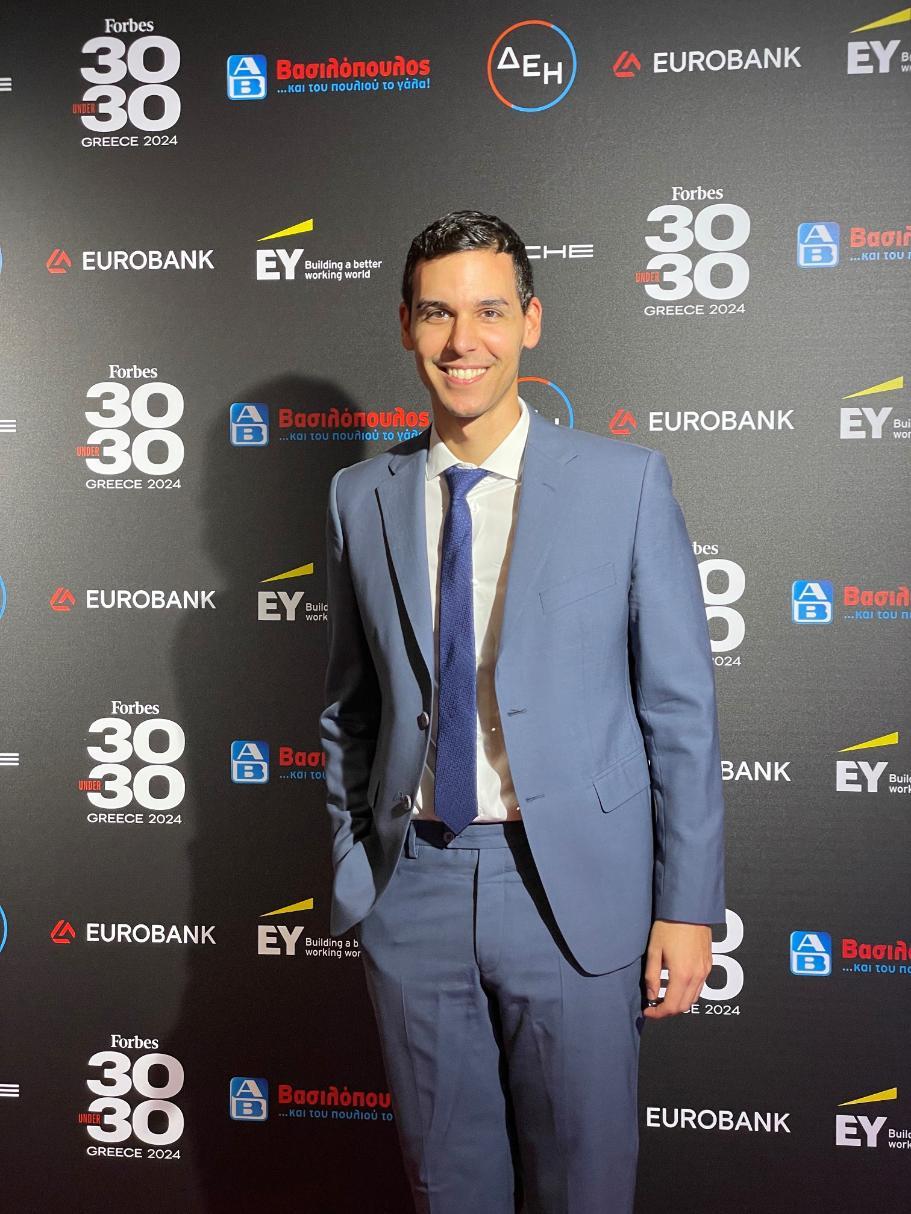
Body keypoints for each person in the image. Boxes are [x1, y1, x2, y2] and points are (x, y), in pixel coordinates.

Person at [319, 210, 725, 1214]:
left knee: (581, 1184)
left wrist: (684, 904)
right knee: (444, 1186)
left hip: (570, 892)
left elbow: (676, 705)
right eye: (437, 313)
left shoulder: (623, 484)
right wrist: (354, 870)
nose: (464, 341)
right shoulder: (356, 496)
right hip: (409, 886)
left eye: (489, 311)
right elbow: (348, 706)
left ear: (530, 321)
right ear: (407, 327)